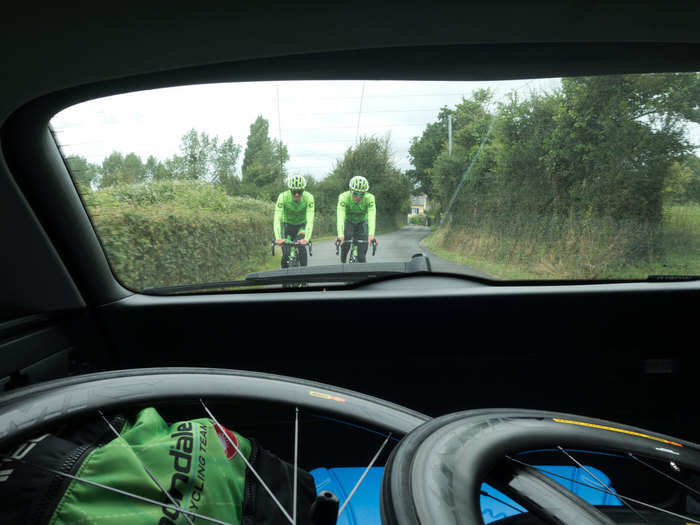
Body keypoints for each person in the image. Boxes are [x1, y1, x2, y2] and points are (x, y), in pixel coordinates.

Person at [274, 175, 314, 268]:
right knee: (286, 253)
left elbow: (310, 219)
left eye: (299, 192)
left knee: (301, 248)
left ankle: (304, 279)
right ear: (290, 190)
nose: (296, 194)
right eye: (294, 192)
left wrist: (306, 238)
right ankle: (284, 280)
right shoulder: (283, 196)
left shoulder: (309, 197)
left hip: (301, 226)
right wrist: (278, 237)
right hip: (287, 225)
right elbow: (277, 218)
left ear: (303, 190)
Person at [336, 175, 377, 263]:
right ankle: (342, 263)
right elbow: (340, 216)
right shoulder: (343, 197)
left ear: (365, 193)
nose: (358, 197)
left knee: (362, 256)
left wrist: (371, 235)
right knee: (345, 244)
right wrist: (340, 235)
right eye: (355, 193)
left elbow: (372, 217)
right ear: (350, 190)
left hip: (362, 222)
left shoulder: (370, 198)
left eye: (361, 194)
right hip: (348, 221)